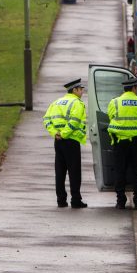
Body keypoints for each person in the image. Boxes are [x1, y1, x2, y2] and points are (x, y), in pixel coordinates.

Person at [43, 78, 88, 208]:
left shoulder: (56, 102)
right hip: (71, 140)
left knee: (60, 171)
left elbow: (46, 119)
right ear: (74, 90)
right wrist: (64, 134)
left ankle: (61, 200)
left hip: (58, 142)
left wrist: (55, 134)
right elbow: (74, 122)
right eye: (81, 89)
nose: (82, 92)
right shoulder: (77, 103)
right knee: (74, 172)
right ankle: (75, 200)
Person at [107, 77, 137, 209]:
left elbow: (110, 116)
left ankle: (120, 201)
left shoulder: (115, 102)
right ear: (134, 88)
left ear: (124, 89)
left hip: (120, 143)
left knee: (120, 171)